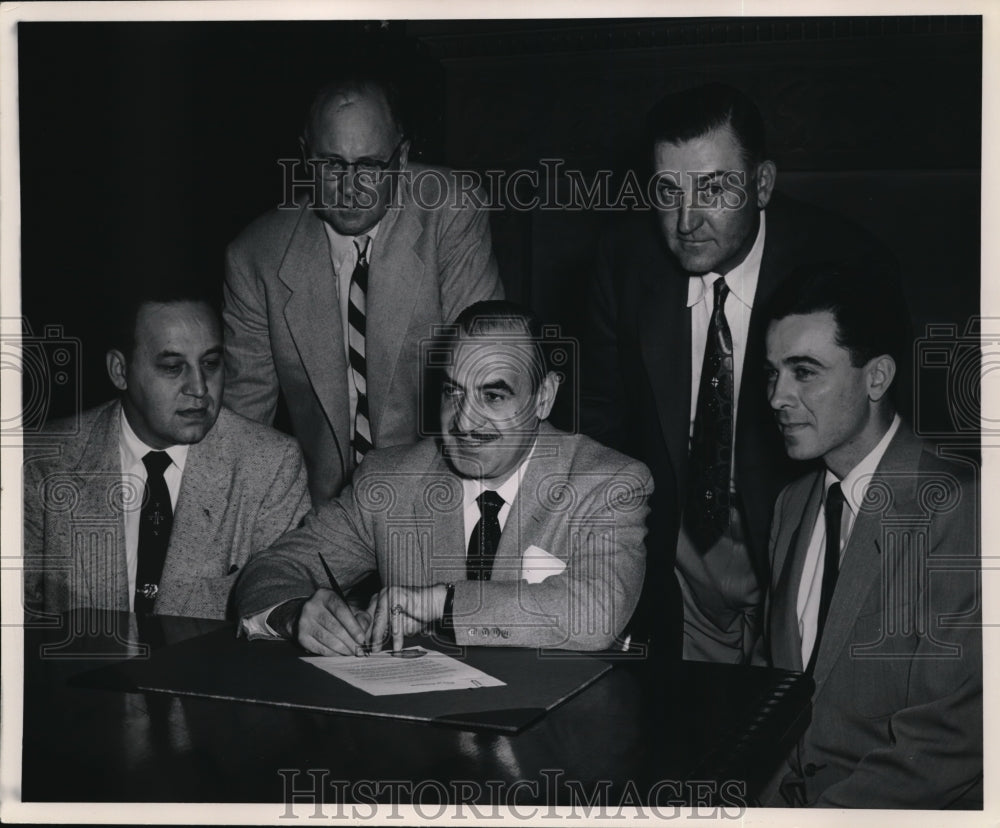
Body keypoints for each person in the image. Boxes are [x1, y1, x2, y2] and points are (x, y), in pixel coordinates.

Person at [583, 82, 902, 662]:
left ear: (762, 185)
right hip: (678, 551)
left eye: (713, 188)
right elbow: (600, 427)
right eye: (668, 190)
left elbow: (881, 445)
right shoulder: (623, 260)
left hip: (802, 531)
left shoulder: (845, 264)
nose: (686, 220)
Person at [234, 300, 652, 653]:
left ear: (544, 397)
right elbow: (272, 568)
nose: (465, 421)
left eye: (493, 395)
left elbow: (597, 613)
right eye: (453, 392)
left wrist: (440, 604)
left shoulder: (609, 483)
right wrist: (295, 616)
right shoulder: (390, 482)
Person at [756, 262, 981, 807]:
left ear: (876, 377)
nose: (776, 397)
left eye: (804, 372)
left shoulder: (960, 507)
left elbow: (948, 745)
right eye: (772, 372)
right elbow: (772, 690)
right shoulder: (793, 505)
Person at [223, 75, 504, 505]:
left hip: (442, 494)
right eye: (331, 164)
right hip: (322, 512)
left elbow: (484, 382)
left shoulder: (451, 213)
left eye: (370, 166)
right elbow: (244, 429)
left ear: (402, 158)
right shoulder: (255, 256)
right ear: (304, 156)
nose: (350, 187)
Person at [23, 290, 310, 620]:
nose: (200, 388)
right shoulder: (42, 460)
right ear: (120, 371)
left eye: (211, 364)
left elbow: (280, 609)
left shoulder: (272, 465)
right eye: (173, 368)